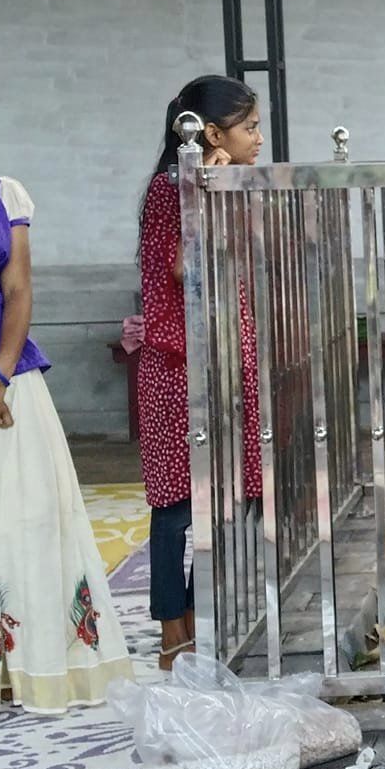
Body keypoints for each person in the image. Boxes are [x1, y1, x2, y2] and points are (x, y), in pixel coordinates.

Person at [0, 66, 130, 730]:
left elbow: (19, 289)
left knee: (31, 520)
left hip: (13, 380)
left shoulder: (5, 194)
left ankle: (34, 670)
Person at [138, 77, 263, 669]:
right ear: (212, 134)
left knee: (225, 498)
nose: (259, 138)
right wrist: (201, 190)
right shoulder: (172, 189)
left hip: (218, 361)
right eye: (250, 127)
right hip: (178, 366)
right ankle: (172, 634)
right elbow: (189, 265)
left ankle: (195, 618)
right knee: (177, 505)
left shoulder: (216, 184)